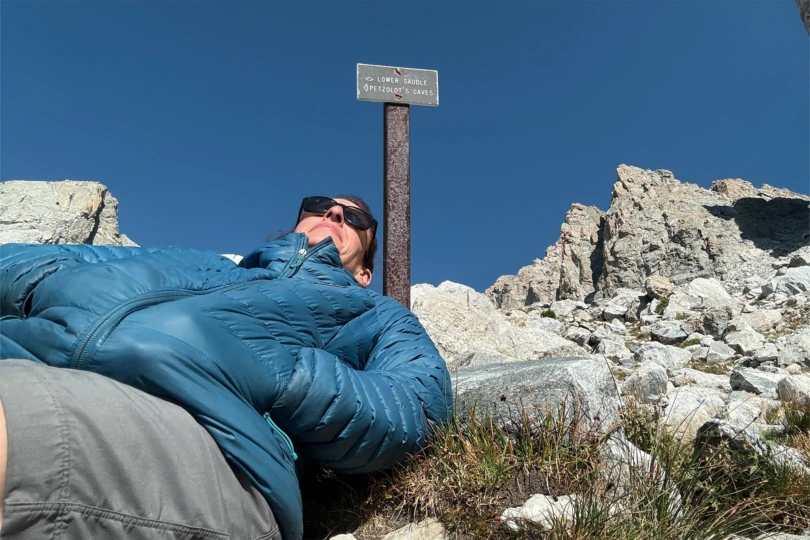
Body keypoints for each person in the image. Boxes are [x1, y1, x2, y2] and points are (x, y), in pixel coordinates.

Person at [0, 195, 454, 540]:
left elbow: (419, 405)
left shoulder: (374, 313)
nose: (333, 215)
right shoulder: (202, 262)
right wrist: (47, 284)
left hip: (212, 434)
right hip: (26, 354)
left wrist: (283, 375)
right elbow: (25, 259)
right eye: (320, 207)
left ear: (364, 273)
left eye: (354, 219)